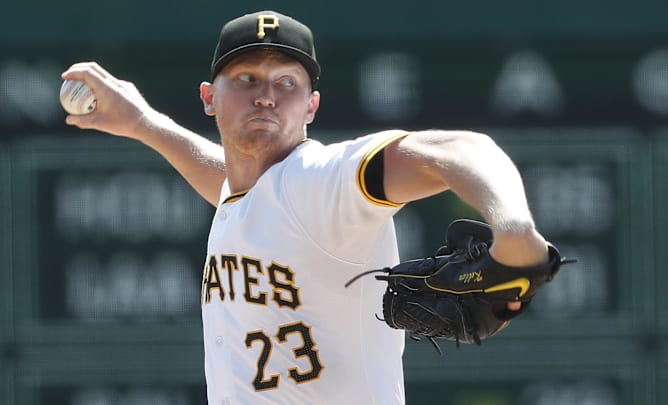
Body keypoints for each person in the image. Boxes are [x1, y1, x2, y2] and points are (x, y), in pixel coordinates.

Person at [61, 10, 549, 405]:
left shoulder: (322, 181)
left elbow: (461, 148)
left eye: (286, 83)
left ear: (311, 106)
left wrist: (514, 232)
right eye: (247, 78)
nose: (266, 97)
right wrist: (144, 122)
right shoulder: (248, 196)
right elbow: (229, 180)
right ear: (210, 98)